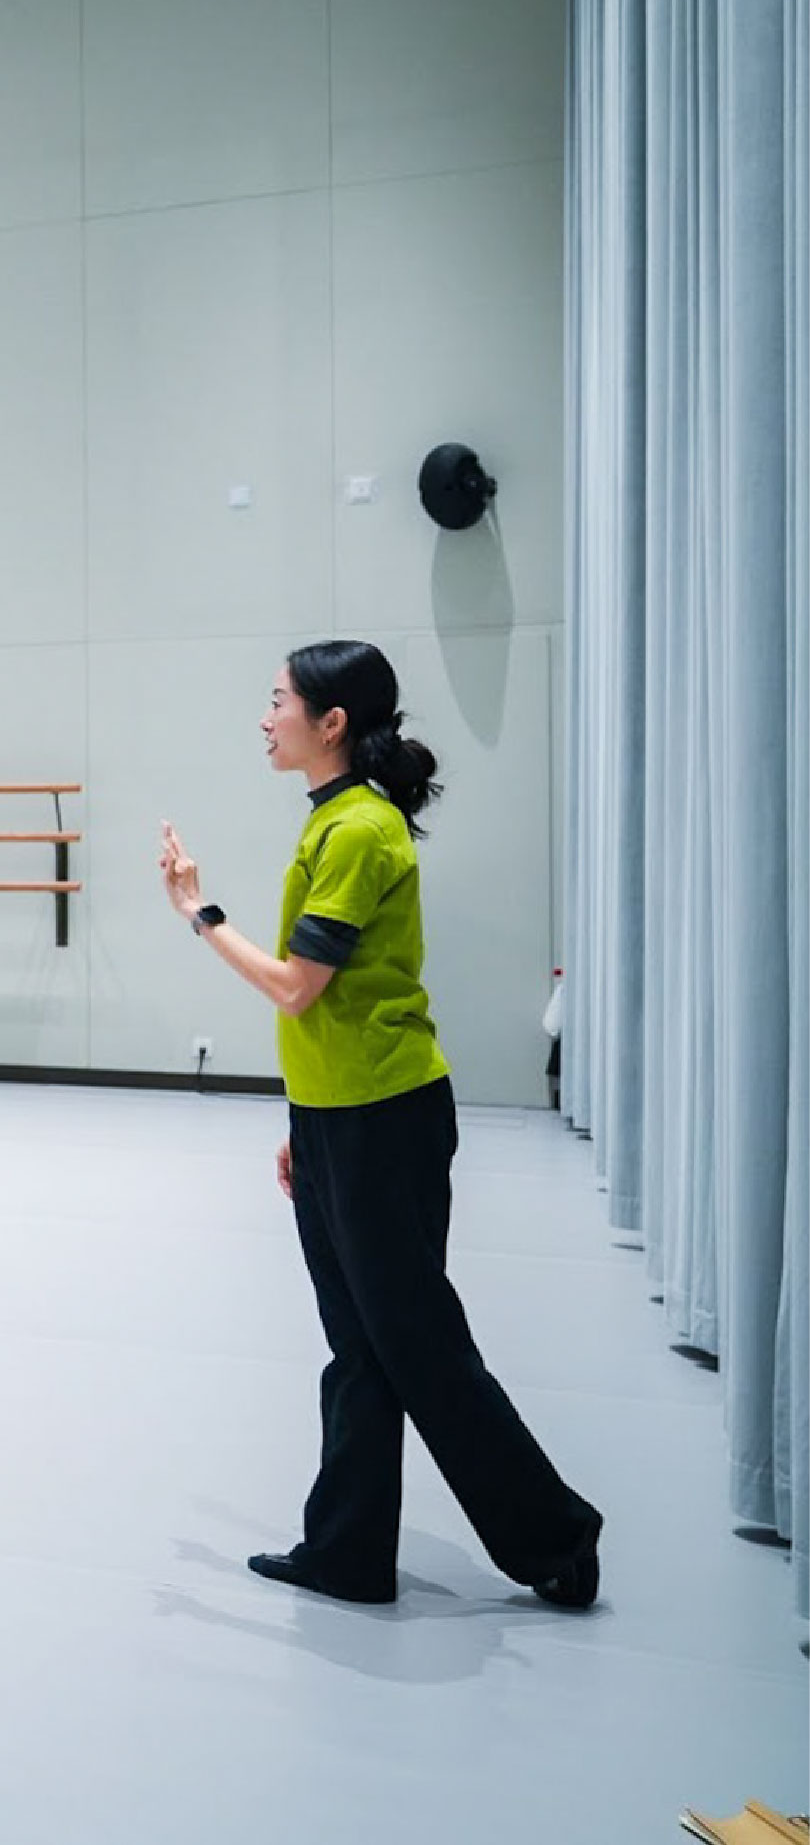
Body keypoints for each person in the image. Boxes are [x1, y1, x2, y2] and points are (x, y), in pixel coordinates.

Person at [159, 639, 602, 1610]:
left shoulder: (360, 831)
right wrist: (303, 1126)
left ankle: (558, 1536)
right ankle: (348, 1551)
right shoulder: (334, 822)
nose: (264, 716)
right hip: (339, 1120)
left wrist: (200, 912)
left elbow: (297, 986)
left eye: (277, 700)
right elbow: (332, 1006)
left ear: (331, 724)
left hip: (382, 1123)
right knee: (361, 1347)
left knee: (418, 1348)